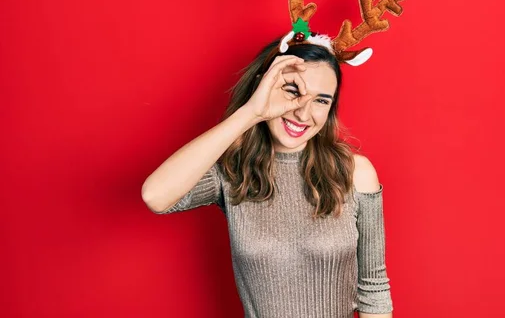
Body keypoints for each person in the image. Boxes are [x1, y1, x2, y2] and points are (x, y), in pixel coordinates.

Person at [141, 38, 394, 317]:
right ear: (264, 87)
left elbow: (373, 286)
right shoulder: (233, 173)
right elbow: (155, 196)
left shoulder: (355, 172)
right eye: (291, 91)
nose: (303, 112)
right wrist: (252, 112)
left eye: (321, 100)